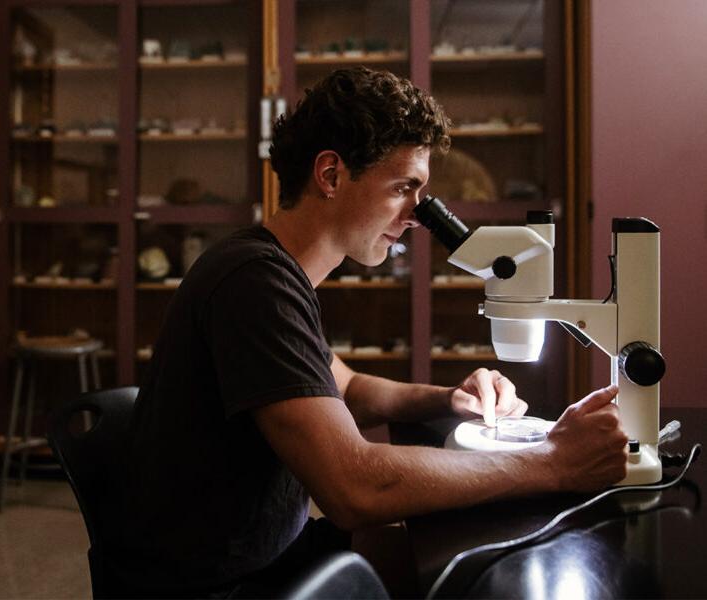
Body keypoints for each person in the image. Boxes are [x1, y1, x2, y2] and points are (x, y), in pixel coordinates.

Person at [113, 67, 628, 597]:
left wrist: (451, 399)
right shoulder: (254, 282)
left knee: (422, 554)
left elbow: (348, 389)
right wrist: (551, 463)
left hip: (261, 553)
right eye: (404, 188)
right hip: (214, 584)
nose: (414, 216)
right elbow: (354, 487)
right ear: (331, 175)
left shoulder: (272, 270)